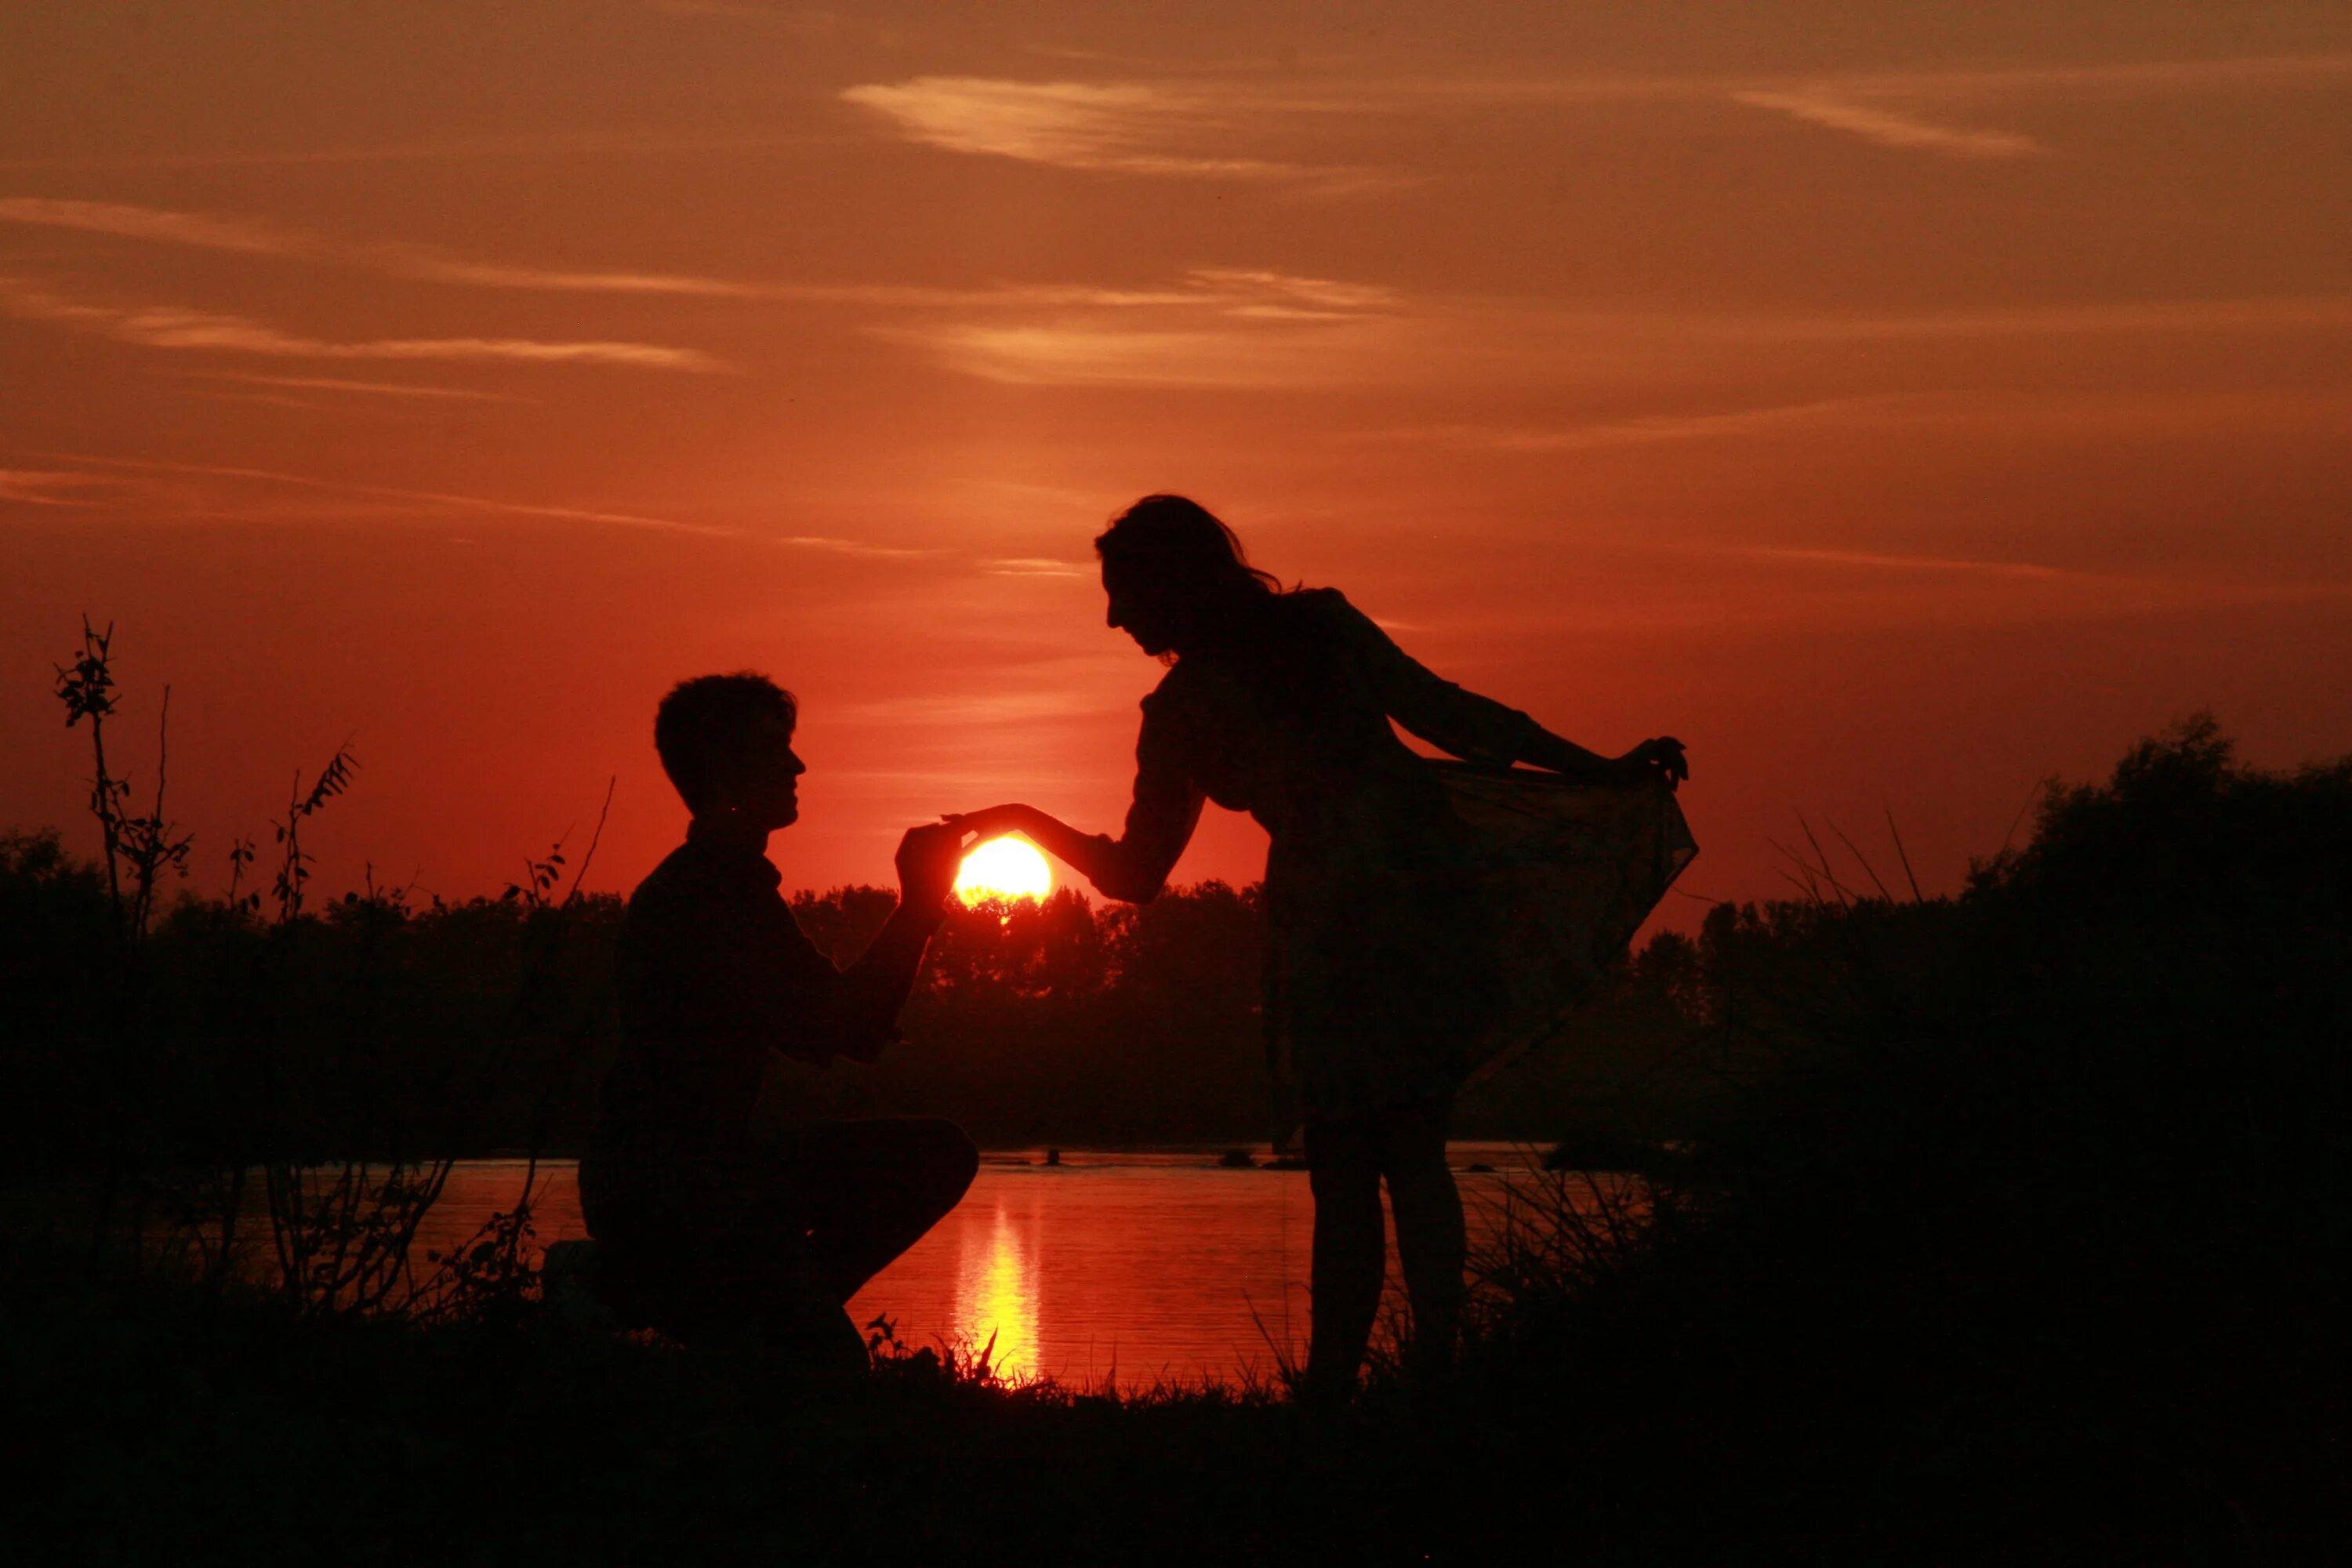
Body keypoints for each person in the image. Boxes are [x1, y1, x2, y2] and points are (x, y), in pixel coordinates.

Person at [949, 495, 1686, 1397]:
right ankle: (1420, 1373)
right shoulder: (1274, 656)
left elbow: (1139, 871)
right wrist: (1597, 765)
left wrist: (1599, 768)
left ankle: (1347, 1384)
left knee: (1355, 1158)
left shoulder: (1196, 702)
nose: (1113, 615)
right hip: (1409, 887)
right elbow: (1451, 716)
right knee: (1404, 1146)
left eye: (1121, 590)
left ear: (1173, 581)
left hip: (1357, 910)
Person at [580, 672, 978, 1363]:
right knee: (830, 1379)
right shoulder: (711, 896)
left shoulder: (727, 885)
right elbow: (849, 1028)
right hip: (674, 1188)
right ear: (723, 767)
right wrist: (917, 906)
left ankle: (747, 1313)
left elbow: (845, 1026)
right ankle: (685, 1302)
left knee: (938, 1154)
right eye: (776, 749)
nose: (797, 766)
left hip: (709, 1175)